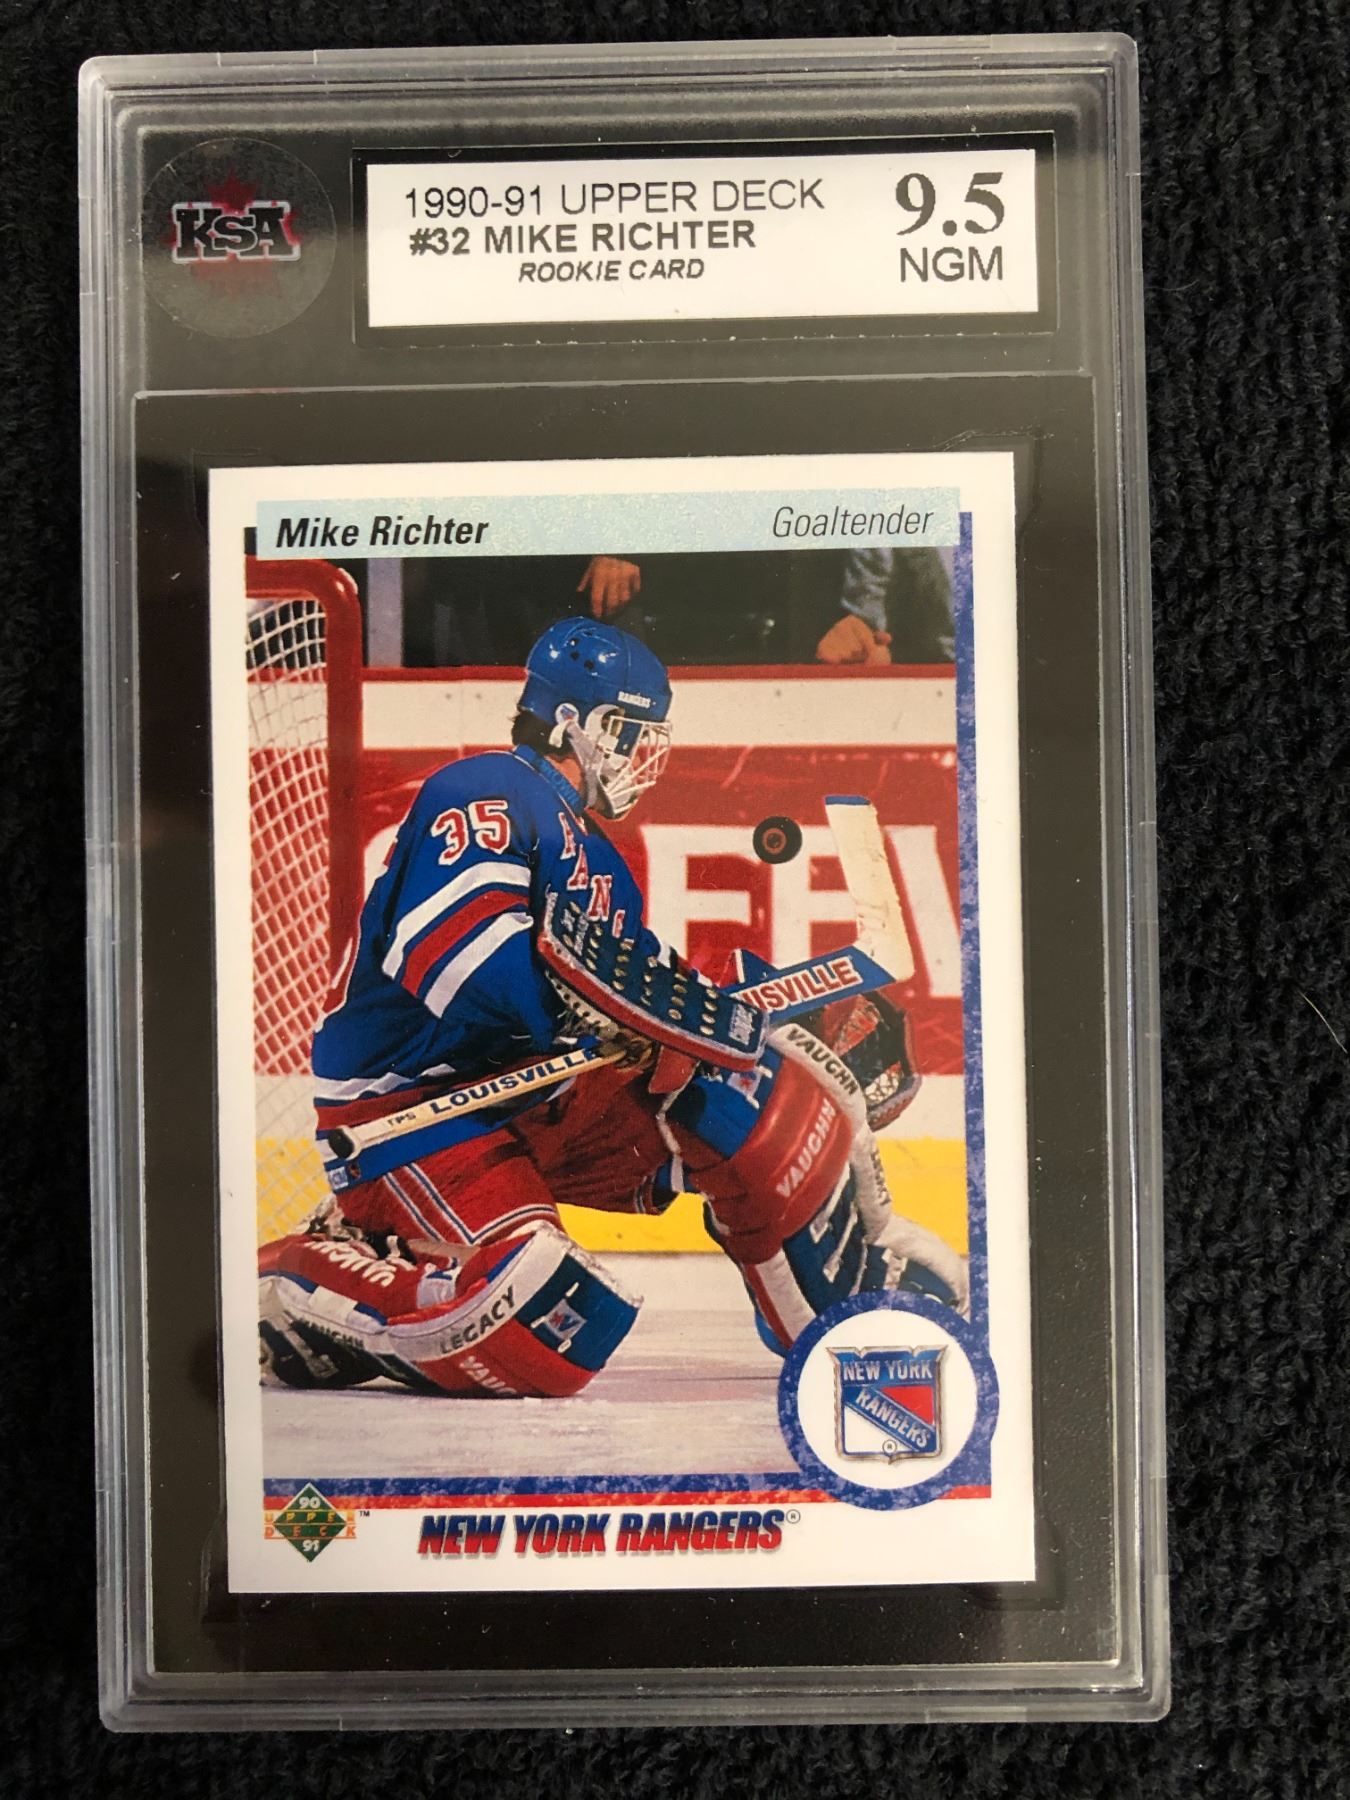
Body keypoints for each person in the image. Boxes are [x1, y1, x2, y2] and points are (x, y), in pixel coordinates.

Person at [258, 619, 963, 1400]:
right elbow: (456, 962)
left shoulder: (603, 863)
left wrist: (751, 1022)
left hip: (539, 1101)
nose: (640, 758)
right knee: (547, 1317)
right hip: (412, 1114)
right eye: (628, 733)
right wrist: (604, 1017)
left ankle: (845, 1304)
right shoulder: (486, 790)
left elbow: (640, 998)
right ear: (571, 722)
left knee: (751, 1082)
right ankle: (319, 1274)